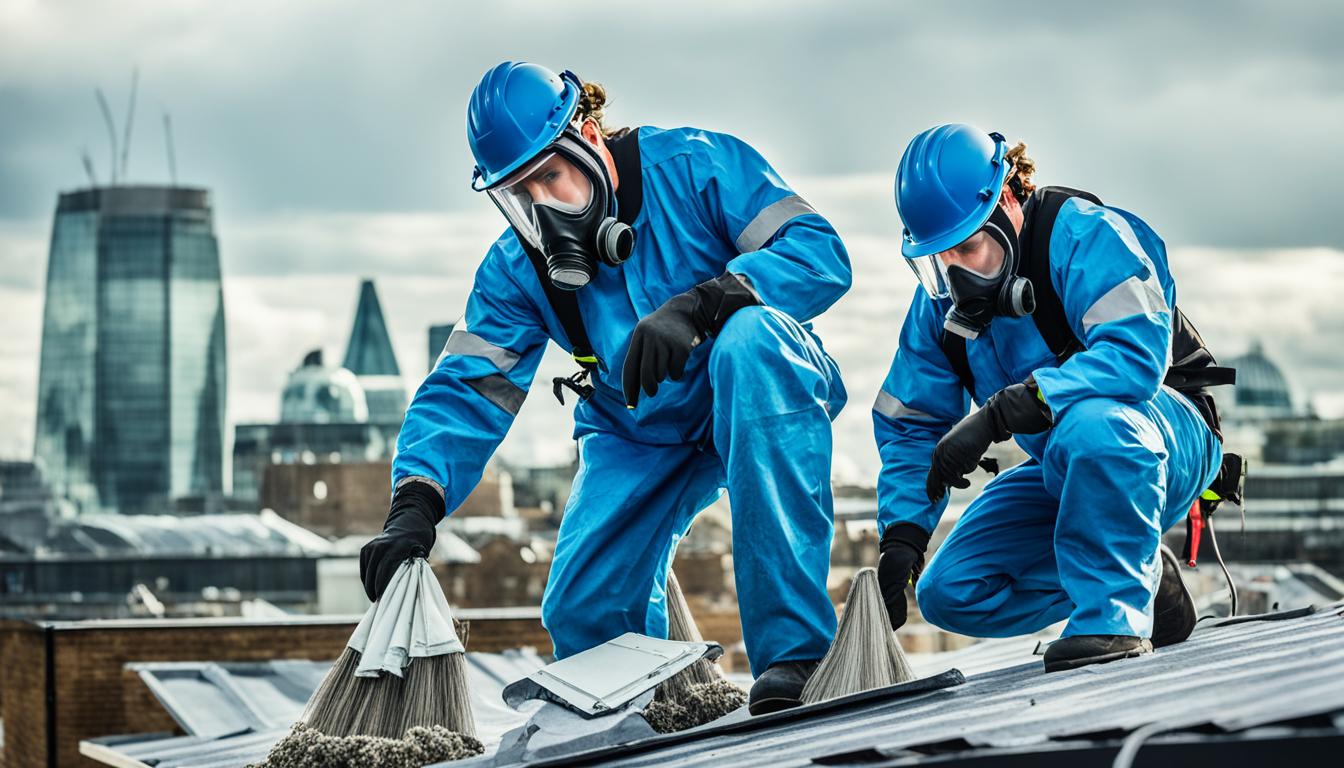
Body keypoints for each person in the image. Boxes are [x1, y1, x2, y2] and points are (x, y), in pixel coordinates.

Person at [360, 61, 851, 712]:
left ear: (589, 136)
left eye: (551, 176)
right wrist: (416, 500)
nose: (543, 205)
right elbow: (470, 386)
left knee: (751, 342)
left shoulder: (696, 166)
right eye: (519, 193)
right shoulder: (517, 269)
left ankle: (796, 658)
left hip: (762, 387)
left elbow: (819, 254)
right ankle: (659, 714)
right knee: (584, 613)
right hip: (638, 427)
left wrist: (706, 304)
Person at [873, 123, 1225, 672]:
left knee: (1092, 426)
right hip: (1068, 464)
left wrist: (1014, 406)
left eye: (969, 247)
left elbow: (1135, 356)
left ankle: (1111, 622)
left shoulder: (1085, 236)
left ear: (1007, 202)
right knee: (952, 591)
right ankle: (1148, 580)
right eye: (942, 258)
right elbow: (911, 426)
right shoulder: (939, 313)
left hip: (1162, 434)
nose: (958, 271)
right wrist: (903, 535)